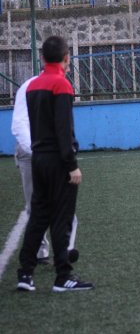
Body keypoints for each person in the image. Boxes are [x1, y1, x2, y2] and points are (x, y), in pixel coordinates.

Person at [17, 36, 93, 292]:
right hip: (58, 161)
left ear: (42, 58)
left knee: (38, 217)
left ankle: (25, 273)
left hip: (38, 159)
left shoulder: (31, 86)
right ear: (66, 57)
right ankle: (63, 276)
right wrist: (71, 164)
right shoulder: (62, 85)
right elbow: (63, 129)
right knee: (62, 217)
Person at [12, 75, 80, 266]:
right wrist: (37, 152)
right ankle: (38, 254)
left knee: (64, 204)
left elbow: (63, 125)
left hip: (54, 154)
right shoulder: (29, 86)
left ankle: (65, 250)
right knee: (36, 206)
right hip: (32, 153)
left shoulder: (62, 86)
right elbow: (19, 124)